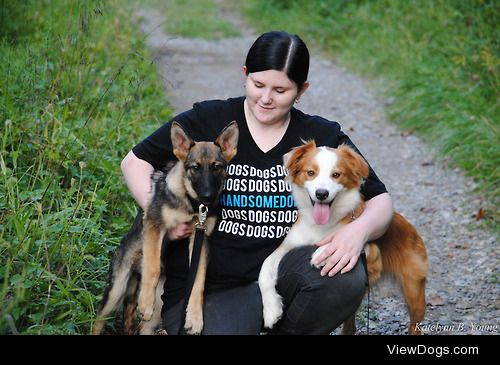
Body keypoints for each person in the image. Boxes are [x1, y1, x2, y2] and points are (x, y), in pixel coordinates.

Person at [121, 30, 394, 334]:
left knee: (345, 278)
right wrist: (160, 215)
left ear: (301, 90)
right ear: (245, 75)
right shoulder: (209, 118)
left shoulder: (320, 137)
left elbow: (381, 201)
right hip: (211, 288)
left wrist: (358, 231)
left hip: (284, 273)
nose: (265, 98)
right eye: (258, 84)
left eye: (280, 90)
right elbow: (134, 162)